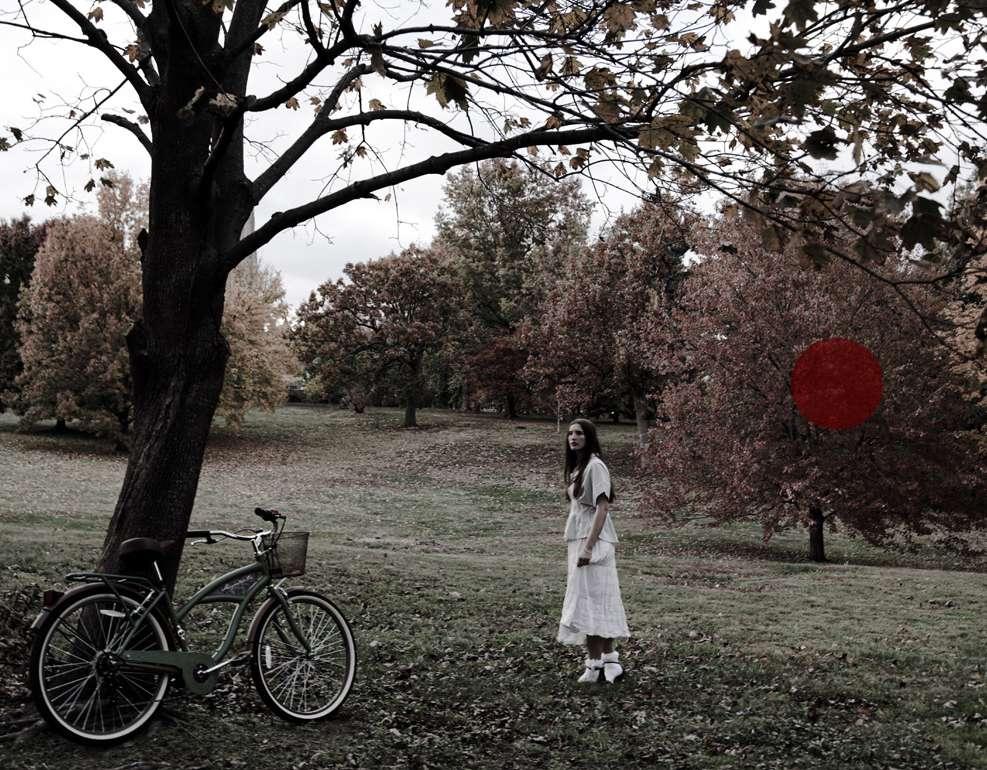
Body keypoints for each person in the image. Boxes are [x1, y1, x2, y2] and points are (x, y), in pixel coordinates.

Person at [557, 418, 630, 684]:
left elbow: (603, 508)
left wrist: (588, 547)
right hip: (580, 539)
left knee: (594, 601)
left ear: (589, 437)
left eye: (579, 433)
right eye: (570, 433)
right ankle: (607, 663)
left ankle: (597, 665)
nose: (573, 437)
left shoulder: (596, 466)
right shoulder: (580, 467)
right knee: (592, 601)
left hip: (594, 542)